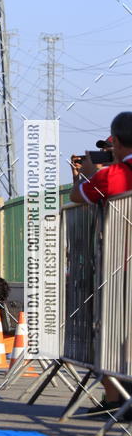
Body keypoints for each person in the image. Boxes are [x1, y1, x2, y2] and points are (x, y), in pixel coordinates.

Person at [69, 113, 132, 415]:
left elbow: (76, 196)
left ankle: (116, 401)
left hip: (120, 268)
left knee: (109, 334)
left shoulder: (112, 175)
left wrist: (90, 172)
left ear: (117, 142)